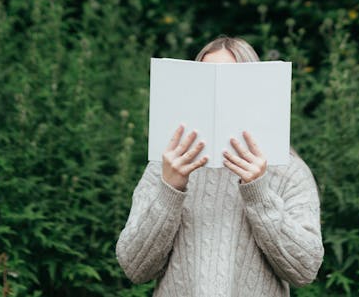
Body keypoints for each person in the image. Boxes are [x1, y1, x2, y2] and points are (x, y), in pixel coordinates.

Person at [116, 35, 324, 296]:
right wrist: (170, 188)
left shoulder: (288, 171)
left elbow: (305, 270)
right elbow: (134, 268)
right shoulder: (166, 166)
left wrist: (259, 193)